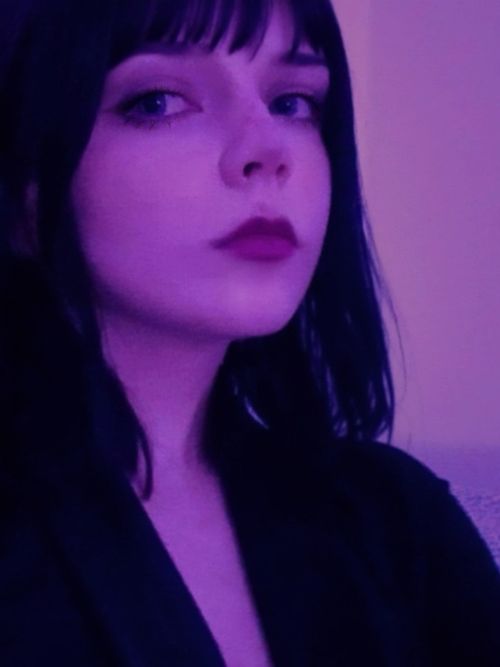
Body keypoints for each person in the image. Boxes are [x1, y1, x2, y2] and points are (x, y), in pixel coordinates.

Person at [0, 0, 499, 665]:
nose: (267, 149)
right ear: (24, 187)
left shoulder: (398, 523)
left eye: (293, 102)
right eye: (157, 101)